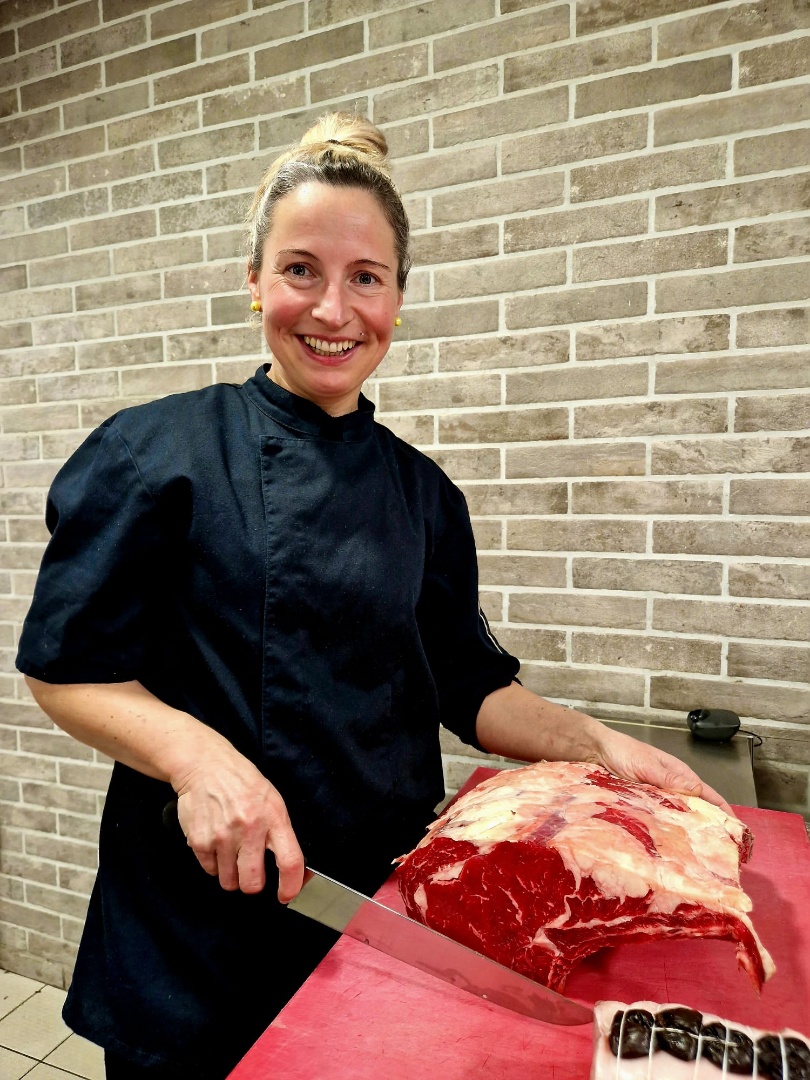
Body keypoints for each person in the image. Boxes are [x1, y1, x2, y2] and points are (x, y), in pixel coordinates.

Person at [16, 113, 728, 1079]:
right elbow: (66, 670)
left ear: (398, 296)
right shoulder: (157, 454)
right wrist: (200, 762)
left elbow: (471, 689)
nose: (333, 311)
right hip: (193, 932)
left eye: (366, 278)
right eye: (301, 269)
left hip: (377, 912)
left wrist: (606, 750)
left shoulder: (425, 494)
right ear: (255, 282)